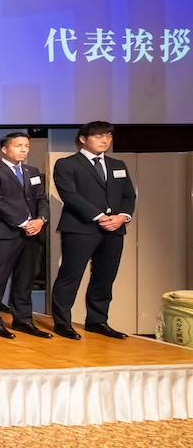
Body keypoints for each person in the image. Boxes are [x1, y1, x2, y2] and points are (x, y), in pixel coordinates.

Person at [51, 121, 136, 340]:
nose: (105, 140)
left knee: (105, 277)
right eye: (99, 136)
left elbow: (128, 195)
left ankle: (97, 321)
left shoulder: (117, 164)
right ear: (82, 139)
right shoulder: (67, 164)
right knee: (70, 276)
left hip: (114, 229)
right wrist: (100, 216)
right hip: (80, 228)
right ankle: (62, 322)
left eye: (108, 136)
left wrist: (122, 217)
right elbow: (70, 195)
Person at [0, 132, 51, 339]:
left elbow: (42, 199)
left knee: (25, 279)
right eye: (18, 145)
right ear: (4, 149)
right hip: (6, 233)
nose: (23, 149)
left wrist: (40, 220)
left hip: (32, 233)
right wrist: (23, 222)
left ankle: (23, 320)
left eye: (26, 146)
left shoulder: (32, 171)